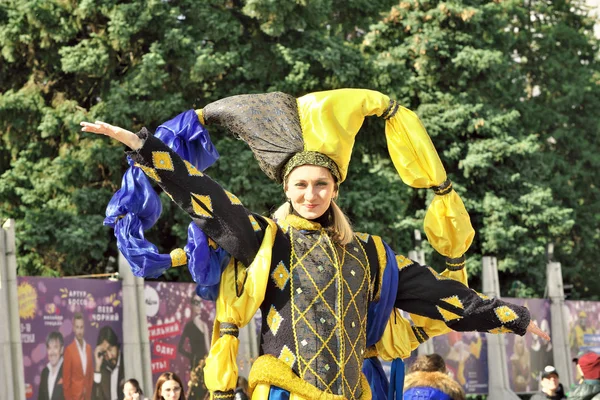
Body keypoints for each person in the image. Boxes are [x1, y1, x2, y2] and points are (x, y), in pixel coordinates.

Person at [82, 88, 549, 400]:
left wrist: (517, 319)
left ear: (335, 188)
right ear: (287, 189)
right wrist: (145, 149)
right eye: (301, 185)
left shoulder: (373, 253)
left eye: (321, 185)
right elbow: (207, 197)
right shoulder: (267, 240)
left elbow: (445, 298)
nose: (311, 194)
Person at [177, 294, 210, 399]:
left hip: (204, 364)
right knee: (195, 391)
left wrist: (208, 363)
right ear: (191, 305)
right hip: (195, 364)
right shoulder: (189, 326)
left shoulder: (204, 326)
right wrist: (191, 356)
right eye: (196, 303)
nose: (198, 306)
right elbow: (180, 347)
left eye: (200, 303)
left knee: (206, 391)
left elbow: (208, 349)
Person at [64, 312, 94, 400]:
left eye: (81, 327)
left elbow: (90, 374)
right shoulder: (69, 350)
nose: (79, 331)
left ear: (84, 328)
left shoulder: (88, 348)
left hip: (87, 396)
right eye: (77, 327)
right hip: (74, 397)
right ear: (73, 328)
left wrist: (88, 391)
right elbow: (66, 382)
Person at [92, 325, 124, 400]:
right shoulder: (102, 369)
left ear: (116, 345)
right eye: (105, 352)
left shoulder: (127, 364)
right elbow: (95, 398)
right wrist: (97, 368)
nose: (109, 356)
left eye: (110, 349)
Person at [38, 331, 65, 400]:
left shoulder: (69, 370)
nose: (52, 352)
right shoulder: (45, 373)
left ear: (61, 349)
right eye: (49, 348)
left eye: (55, 347)